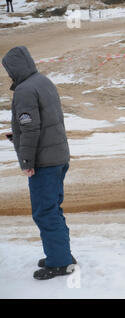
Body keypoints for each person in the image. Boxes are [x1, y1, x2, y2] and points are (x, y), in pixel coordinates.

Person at [2, 46, 76, 280]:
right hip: (57, 156)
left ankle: (60, 263)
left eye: (8, 70)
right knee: (53, 208)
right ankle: (62, 254)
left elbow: (30, 127)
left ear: (14, 68)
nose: (9, 75)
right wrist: (20, 137)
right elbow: (44, 122)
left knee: (45, 212)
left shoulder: (24, 90)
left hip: (44, 162)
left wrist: (26, 160)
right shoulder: (43, 81)